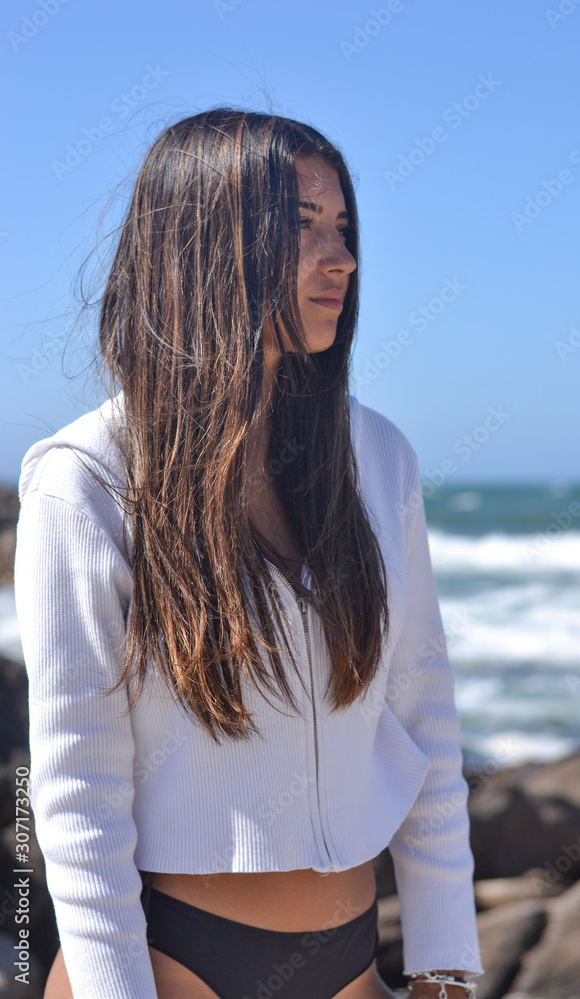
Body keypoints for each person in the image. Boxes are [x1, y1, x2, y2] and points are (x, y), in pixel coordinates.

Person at [14, 109, 484, 999]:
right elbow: (76, 788)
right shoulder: (85, 481)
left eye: (342, 228)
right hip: (172, 958)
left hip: (353, 962)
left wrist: (445, 960)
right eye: (300, 226)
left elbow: (424, 714)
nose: (339, 258)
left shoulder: (376, 456)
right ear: (201, 243)